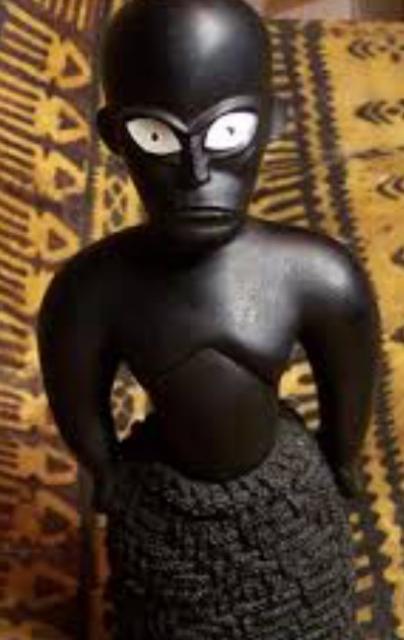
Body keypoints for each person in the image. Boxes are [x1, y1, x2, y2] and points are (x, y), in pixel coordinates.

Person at [38, 0, 379, 637]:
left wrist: (339, 459)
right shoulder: (93, 289)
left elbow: (349, 381)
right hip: (165, 513)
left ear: (274, 121)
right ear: (114, 136)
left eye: (227, 135)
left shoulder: (317, 275)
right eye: (158, 137)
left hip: (286, 500)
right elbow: (74, 390)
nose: (196, 174)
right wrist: (107, 471)